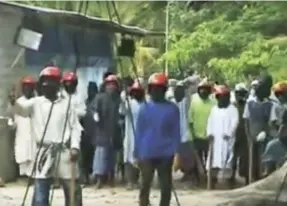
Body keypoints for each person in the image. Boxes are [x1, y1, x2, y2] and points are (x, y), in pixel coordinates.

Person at [11, 66, 83, 206]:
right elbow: (21, 110)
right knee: (40, 194)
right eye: (45, 83)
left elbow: (75, 128)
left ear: (58, 85)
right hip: (43, 153)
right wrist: (13, 101)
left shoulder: (67, 104)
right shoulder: (35, 103)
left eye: (52, 83)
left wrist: (75, 147)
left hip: (64, 151)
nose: (48, 86)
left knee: (73, 192)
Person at [135, 73, 181, 206]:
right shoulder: (144, 108)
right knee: (145, 183)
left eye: (159, 88)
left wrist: (177, 151)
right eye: (153, 88)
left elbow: (176, 132)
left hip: (166, 153)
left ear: (164, 90)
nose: (156, 91)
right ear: (149, 90)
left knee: (166, 185)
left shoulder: (172, 109)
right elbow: (139, 131)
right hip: (146, 152)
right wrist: (137, 152)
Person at [243, 80, 277, 182]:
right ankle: (251, 179)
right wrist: (248, 135)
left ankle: (263, 178)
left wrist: (266, 132)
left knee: (263, 157)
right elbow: (246, 120)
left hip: (265, 136)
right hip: (252, 134)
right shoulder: (250, 103)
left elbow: (271, 122)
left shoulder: (270, 104)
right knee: (251, 158)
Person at [91, 74, 121, 189]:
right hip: (102, 131)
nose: (111, 87)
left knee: (112, 157)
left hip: (114, 131)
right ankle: (99, 179)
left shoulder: (118, 99)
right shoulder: (100, 97)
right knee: (100, 156)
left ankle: (111, 178)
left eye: (113, 85)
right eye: (109, 85)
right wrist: (95, 115)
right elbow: (93, 108)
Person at [206, 85, 239, 189]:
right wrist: (209, 132)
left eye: (224, 96)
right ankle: (212, 181)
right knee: (213, 160)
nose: (222, 99)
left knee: (227, 160)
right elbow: (210, 122)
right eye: (220, 97)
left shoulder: (233, 109)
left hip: (227, 139)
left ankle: (227, 182)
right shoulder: (214, 109)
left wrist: (229, 133)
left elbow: (235, 122)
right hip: (215, 139)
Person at [188, 80, 215, 183]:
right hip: (196, 135)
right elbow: (190, 119)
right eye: (201, 89)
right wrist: (192, 134)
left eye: (205, 89)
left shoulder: (213, 103)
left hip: (209, 136)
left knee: (209, 159)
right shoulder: (194, 102)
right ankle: (198, 179)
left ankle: (210, 179)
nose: (203, 91)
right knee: (197, 159)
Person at [9, 76, 37, 177]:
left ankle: (32, 177)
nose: (27, 89)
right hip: (22, 134)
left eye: (30, 87)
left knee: (34, 156)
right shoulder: (18, 102)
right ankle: (24, 176)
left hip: (35, 135)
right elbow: (13, 118)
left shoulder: (38, 101)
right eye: (25, 87)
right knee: (23, 155)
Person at [119, 81, 145, 190]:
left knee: (140, 159)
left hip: (142, 135)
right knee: (129, 158)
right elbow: (122, 110)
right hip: (130, 135)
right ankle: (130, 181)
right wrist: (124, 97)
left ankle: (138, 180)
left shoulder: (145, 104)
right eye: (135, 92)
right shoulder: (129, 103)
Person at [81, 82, 98, 185]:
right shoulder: (85, 102)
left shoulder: (97, 102)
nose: (89, 91)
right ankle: (86, 177)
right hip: (86, 133)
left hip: (96, 134)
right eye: (88, 89)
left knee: (94, 157)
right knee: (85, 157)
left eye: (91, 89)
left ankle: (95, 177)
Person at [232, 83, 249, 185]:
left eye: (242, 93)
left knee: (245, 158)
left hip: (245, 135)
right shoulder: (232, 106)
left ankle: (247, 178)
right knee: (232, 157)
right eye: (238, 93)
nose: (240, 96)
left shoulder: (248, 105)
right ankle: (231, 178)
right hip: (234, 134)